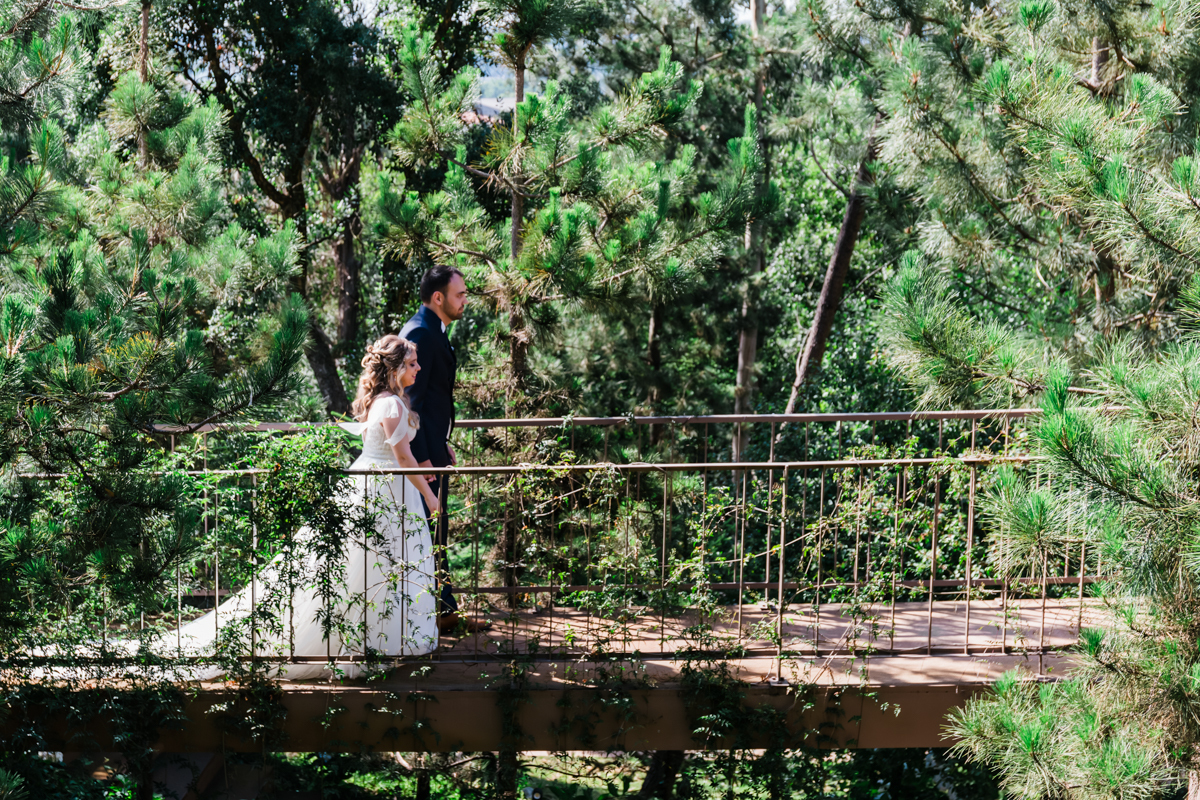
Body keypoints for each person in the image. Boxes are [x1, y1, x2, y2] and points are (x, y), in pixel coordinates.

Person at [163, 335, 441, 678]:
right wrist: (429, 496)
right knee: (375, 566)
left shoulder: (383, 402)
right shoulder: (393, 405)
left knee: (373, 568)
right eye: (412, 363)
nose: (417, 368)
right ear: (396, 367)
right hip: (384, 488)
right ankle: (363, 645)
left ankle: (374, 641)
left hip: (379, 484)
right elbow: (402, 457)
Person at [400, 265, 485, 635]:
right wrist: (421, 456)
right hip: (419, 456)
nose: (465, 300)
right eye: (460, 294)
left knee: (433, 531)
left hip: (432, 447)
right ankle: (438, 613)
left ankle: (444, 610)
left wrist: (441, 442)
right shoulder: (420, 332)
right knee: (426, 532)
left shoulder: (434, 330)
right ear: (439, 298)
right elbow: (411, 402)